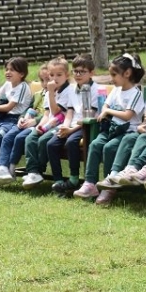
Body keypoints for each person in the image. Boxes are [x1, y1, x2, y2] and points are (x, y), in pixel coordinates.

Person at [93, 60, 146, 204]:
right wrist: (141, 126)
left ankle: (132, 169)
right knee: (129, 138)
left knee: (143, 139)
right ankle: (115, 176)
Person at [73, 53, 145, 199]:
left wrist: (107, 111)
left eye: (114, 75)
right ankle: (90, 183)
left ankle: (109, 187)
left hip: (127, 132)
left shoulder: (135, 93)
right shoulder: (116, 90)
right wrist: (105, 108)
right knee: (95, 145)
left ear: (127, 73)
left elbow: (127, 115)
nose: (111, 79)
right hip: (111, 128)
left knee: (109, 147)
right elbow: (106, 102)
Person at [0, 63, 48, 188]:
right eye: (42, 80)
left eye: (12, 70)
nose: (44, 83)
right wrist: (22, 118)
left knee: (4, 138)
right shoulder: (38, 94)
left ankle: (9, 169)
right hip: (22, 121)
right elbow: (30, 108)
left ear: (22, 74)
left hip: (31, 123)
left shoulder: (26, 88)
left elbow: (50, 114)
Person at [46, 54, 100, 196]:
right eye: (76, 71)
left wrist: (70, 130)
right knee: (51, 144)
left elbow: (90, 115)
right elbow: (69, 111)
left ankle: (74, 179)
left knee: (71, 142)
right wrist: (65, 126)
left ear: (91, 73)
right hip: (71, 125)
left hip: (87, 125)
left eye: (82, 71)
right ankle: (58, 182)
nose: (78, 74)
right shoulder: (73, 88)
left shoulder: (95, 89)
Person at [22, 56, 73, 189]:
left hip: (61, 125)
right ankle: (33, 171)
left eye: (59, 75)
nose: (54, 78)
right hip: (49, 124)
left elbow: (56, 112)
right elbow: (47, 114)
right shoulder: (50, 91)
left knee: (43, 140)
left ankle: (39, 169)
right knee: (31, 138)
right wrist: (40, 125)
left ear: (67, 75)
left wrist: (50, 92)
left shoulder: (68, 91)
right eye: (51, 75)